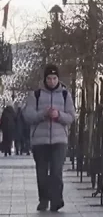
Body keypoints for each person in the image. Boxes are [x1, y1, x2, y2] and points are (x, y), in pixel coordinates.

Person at [23, 64, 76, 212]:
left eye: (54, 78)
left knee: (56, 171)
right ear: (45, 79)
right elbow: (28, 116)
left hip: (59, 140)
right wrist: (43, 114)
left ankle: (56, 200)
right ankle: (43, 200)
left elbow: (71, 117)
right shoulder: (35, 95)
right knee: (42, 173)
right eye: (49, 78)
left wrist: (58, 115)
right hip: (40, 141)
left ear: (58, 79)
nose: (52, 81)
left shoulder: (65, 95)